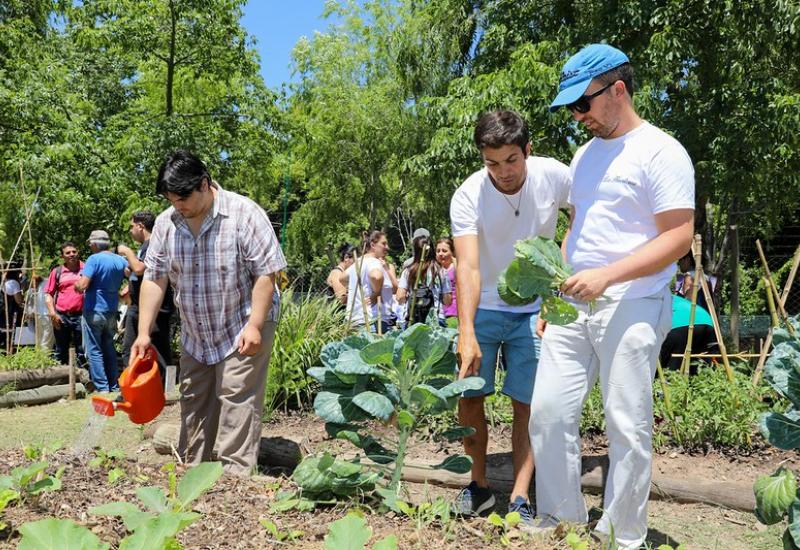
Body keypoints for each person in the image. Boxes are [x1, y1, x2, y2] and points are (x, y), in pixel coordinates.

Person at [531, 44, 694, 549]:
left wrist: (608, 276)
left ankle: (625, 536)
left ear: (617, 90)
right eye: (572, 107)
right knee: (549, 411)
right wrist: (554, 285)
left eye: (583, 104)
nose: (577, 116)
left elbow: (679, 236)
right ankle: (561, 520)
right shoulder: (585, 154)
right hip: (573, 304)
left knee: (627, 423)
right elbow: (579, 227)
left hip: (634, 302)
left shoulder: (661, 151)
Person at [130, 150, 286, 475]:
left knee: (236, 397)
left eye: (183, 197)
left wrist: (255, 325)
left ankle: (235, 480)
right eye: (172, 199)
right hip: (196, 331)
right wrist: (144, 332)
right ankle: (195, 474)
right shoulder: (165, 224)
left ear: (204, 183)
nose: (178, 206)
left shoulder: (244, 214)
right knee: (194, 399)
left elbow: (266, 275)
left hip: (243, 322)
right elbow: (155, 278)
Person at [449, 110, 570, 523]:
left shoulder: (553, 175)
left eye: (511, 160)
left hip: (535, 310)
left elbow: (587, 214)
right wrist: (466, 332)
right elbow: (467, 265)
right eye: (492, 163)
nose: (502, 172)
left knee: (528, 404)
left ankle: (520, 494)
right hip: (483, 306)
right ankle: (478, 486)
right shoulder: (468, 194)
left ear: (527, 151)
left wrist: (558, 284)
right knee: (469, 397)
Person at [117, 211, 176, 372]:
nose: (130, 231)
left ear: (140, 226)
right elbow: (138, 272)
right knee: (129, 348)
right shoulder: (144, 247)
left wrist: (126, 251)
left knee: (159, 350)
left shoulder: (153, 244)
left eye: (132, 227)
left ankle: (166, 387)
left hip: (155, 308)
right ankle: (129, 389)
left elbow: (140, 269)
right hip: (137, 306)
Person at [74, 230, 128, 392]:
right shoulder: (120, 260)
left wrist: (76, 286)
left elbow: (83, 285)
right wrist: (122, 293)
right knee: (109, 348)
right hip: (112, 310)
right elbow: (133, 278)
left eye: (90, 243)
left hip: (94, 310)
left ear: (95, 244)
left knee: (94, 350)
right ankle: (114, 385)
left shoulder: (93, 259)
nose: (90, 246)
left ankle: (102, 387)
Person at [341, 230, 398, 332]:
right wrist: (377, 292)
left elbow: (342, 278)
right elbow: (376, 276)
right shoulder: (374, 261)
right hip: (373, 322)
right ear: (373, 245)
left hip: (354, 320)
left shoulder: (358, 263)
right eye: (383, 244)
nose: (387, 247)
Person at [44, 242, 86, 366]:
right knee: (60, 349)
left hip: (82, 315)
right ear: (62, 256)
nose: (72, 254)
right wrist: (52, 314)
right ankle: (60, 378)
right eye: (68, 253)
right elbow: (48, 294)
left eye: (74, 251)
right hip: (61, 316)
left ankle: (83, 378)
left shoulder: (87, 268)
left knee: (82, 349)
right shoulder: (57, 272)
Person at [396, 235, 452, 325]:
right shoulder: (441, 271)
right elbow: (447, 301)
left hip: (412, 318)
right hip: (435, 319)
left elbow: (400, 297)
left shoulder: (408, 271)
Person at [659, 294, 718, 373]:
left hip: (680, 324)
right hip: (706, 321)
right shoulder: (668, 296)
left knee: (671, 365)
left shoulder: (649, 298)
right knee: (700, 363)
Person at [436, 237, 458, 325]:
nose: (440, 254)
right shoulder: (435, 269)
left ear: (452, 252)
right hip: (438, 315)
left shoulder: (455, 268)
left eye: (444, 251)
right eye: (438, 251)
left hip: (453, 314)